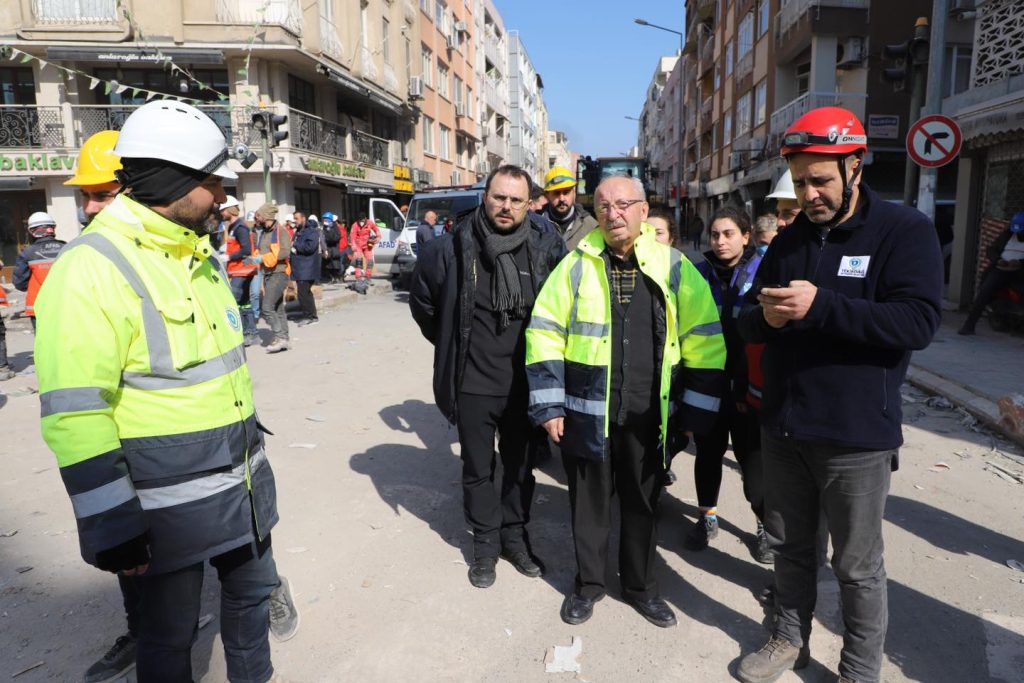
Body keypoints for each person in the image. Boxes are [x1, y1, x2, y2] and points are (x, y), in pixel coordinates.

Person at [35, 99, 297, 683]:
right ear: (174, 181)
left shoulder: (194, 252)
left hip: (244, 484)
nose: (224, 198)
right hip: (167, 511)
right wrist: (113, 524)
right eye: (212, 183)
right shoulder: (91, 269)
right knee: (168, 638)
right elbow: (76, 413)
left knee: (253, 605)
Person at [735, 107, 942, 683]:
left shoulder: (903, 232)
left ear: (855, 165)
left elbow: (918, 323)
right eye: (800, 181)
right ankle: (787, 640)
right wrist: (765, 320)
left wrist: (822, 306)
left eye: (821, 180)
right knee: (790, 549)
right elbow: (747, 317)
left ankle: (858, 668)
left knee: (856, 566)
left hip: (855, 435)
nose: (809, 193)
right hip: (784, 427)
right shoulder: (792, 238)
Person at [526, 175, 726, 628]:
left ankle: (640, 588)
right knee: (588, 506)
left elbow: (706, 340)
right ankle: (588, 586)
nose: (612, 213)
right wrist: (550, 406)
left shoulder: (675, 266)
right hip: (586, 411)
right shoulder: (575, 265)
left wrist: (694, 412)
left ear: (642, 209)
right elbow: (544, 331)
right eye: (602, 206)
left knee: (642, 504)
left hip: (648, 416)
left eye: (622, 204)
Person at [410, 165, 565, 588]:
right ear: (485, 195)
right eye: (499, 197)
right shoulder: (451, 246)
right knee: (478, 470)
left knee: (519, 468)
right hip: (473, 382)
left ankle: (515, 538)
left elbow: (563, 307)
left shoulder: (546, 245)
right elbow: (425, 306)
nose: (506, 207)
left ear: (530, 203)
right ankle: (484, 546)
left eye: (516, 200)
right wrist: (452, 344)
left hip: (525, 385)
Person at [687, 207, 771, 563]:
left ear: (746, 236)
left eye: (728, 234)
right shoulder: (697, 274)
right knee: (707, 454)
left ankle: (766, 526)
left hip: (748, 388)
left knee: (754, 465)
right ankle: (707, 516)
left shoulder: (763, 272)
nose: (720, 242)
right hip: (708, 385)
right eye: (715, 235)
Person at [958, 211, 1024, 335]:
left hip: (1020, 274)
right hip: (1001, 270)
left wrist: (1020, 263)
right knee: (984, 293)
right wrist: (998, 260)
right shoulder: (1006, 235)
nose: (1018, 233)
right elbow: (991, 250)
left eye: (1021, 231)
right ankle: (969, 325)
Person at [14, 211, 66, 332]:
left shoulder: (27, 253)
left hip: (39, 307)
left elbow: (20, 283)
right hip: (65, 305)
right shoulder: (67, 247)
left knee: (44, 345)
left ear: (32, 232)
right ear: (52, 228)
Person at [222, 195, 261, 347]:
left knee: (233, 302)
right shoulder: (233, 227)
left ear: (230, 210)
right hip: (239, 270)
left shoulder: (241, 227)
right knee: (244, 304)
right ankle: (251, 334)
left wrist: (228, 256)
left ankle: (238, 334)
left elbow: (246, 250)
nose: (221, 213)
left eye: (223, 210)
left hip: (243, 270)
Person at [254, 203, 292, 352]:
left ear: (266, 217)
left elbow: (284, 252)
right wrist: (255, 258)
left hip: (279, 273)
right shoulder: (263, 232)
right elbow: (261, 250)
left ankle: (280, 337)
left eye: (258, 215)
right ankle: (285, 339)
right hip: (268, 273)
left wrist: (264, 258)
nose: (256, 218)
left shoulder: (281, 231)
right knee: (278, 308)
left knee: (267, 307)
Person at [540, 165, 599, 251]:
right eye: (556, 193)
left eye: (566, 192)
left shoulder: (591, 227)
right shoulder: (535, 225)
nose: (562, 199)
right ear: (547, 195)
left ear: (574, 193)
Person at [291, 208, 322, 326]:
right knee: (305, 293)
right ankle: (310, 315)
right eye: (294, 219)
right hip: (300, 267)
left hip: (307, 267)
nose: (295, 221)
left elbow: (310, 247)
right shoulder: (299, 231)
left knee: (303, 293)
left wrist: (295, 245)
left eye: (296, 219)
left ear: (303, 218)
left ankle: (310, 316)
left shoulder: (311, 231)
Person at [350, 213, 381, 289]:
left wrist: (378, 236)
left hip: (367, 245)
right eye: (360, 220)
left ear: (365, 218)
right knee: (359, 261)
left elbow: (376, 229)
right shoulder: (355, 225)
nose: (361, 222)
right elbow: (352, 237)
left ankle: (368, 278)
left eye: (363, 220)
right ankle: (358, 278)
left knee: (370, 261)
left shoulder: (370, 222)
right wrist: (353, 245)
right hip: (358, 246)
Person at [321, 211, 343, 282]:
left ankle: (337, 277)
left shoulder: (334, 227)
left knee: (335, 264)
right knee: (328, 264)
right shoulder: (324, 227)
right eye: (324, 219)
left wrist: (328, 237)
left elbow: (337, 237)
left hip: (334, 248)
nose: (324, 221)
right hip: (327, 248)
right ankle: (331, 278)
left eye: (326, 219)